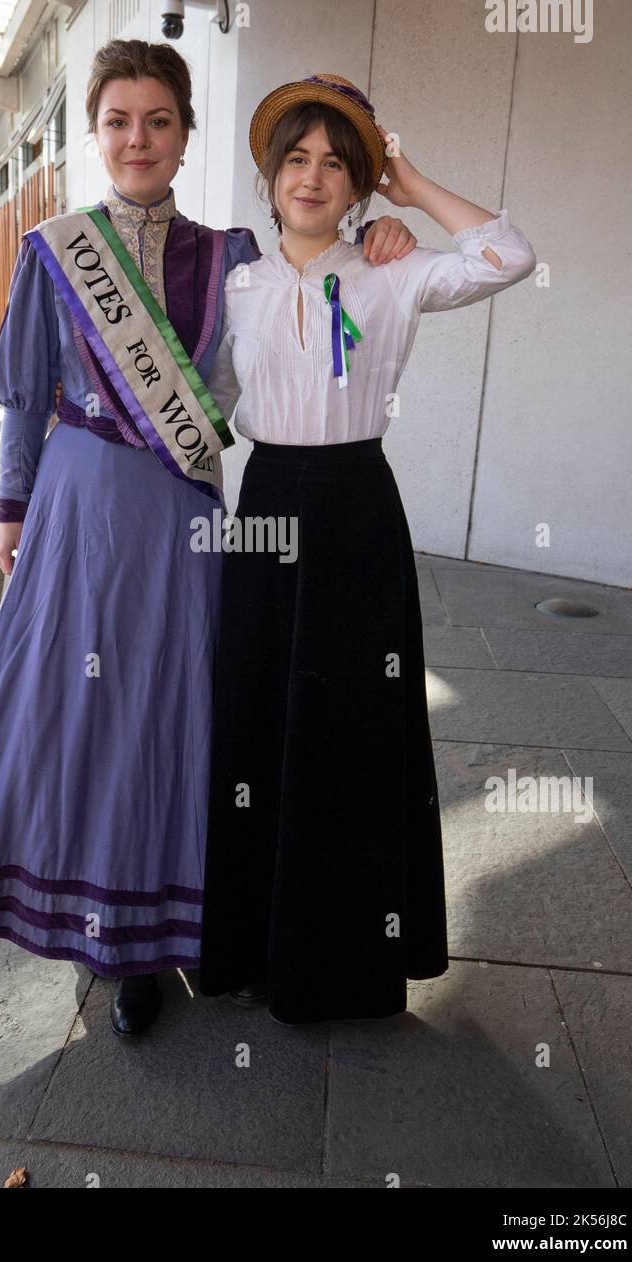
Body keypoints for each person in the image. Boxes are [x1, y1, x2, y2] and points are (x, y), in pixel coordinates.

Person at [0, 42, 416, 1038]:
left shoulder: (231, 256)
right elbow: (24, 393)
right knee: (78, 716)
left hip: (183, 511)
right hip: (81, 508)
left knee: (173, 716)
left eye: (158, 120)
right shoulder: (54, 249)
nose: (138, 139)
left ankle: (160, 939)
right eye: (118, 121)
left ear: (183, 134)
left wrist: (377, 227)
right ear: (95, 135)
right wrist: (12, 508)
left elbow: (316, 272)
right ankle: (97, 935)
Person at [198, 72, 538, 1025]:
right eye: (296, 160)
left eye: (335, 164)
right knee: (259, 720)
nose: (313, 178)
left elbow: (508, 254)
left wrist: (411, 187)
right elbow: (206, 405)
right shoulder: (238, 286)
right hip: (266, 504)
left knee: (354, 728)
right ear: (270, 179)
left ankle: (349, 964)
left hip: (355, 509)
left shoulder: (394, 273)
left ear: (356, 184)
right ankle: (255, 946)